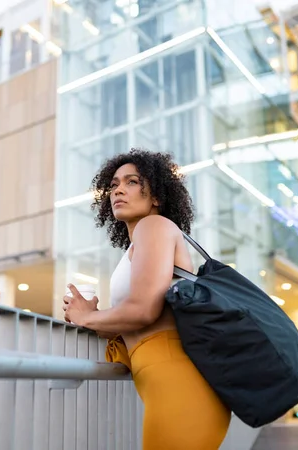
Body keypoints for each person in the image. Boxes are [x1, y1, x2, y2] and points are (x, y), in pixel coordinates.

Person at [63, 149, 231, 450]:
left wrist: (84, 317)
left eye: (132, 182)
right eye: (114, 184)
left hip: (180, 386)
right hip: (171, 383)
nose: (118, 189)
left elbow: (143, 310)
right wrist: (98, 316)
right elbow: (143, 320)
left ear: (156, 196)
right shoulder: (140, 242)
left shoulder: (154, 227)